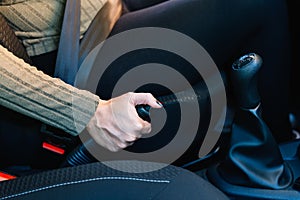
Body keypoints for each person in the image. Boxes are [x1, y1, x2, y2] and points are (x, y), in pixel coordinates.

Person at [0, 0, 293, 168]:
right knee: (257, 4)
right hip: (74, 53)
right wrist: (87, 111)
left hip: (107, 9)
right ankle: (282, 152)